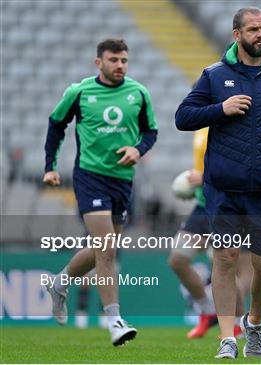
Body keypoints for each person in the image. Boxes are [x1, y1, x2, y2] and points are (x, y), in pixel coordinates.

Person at [175, 7, 261, 359]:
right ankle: (227, 338)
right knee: (225, 259)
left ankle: (255, 321)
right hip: (224, 190)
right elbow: (182, 117)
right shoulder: (214, 76)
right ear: (237, 35)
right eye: (253, 29)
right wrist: (220, 109)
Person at [43, 38, 158, 346]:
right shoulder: (79, 92)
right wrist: (50, 166)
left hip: (122, 180)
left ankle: (60, 282)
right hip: (90, 177)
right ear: (99, 63)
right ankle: (115, 321)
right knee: (107, 248)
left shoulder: (139, 93)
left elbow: (151, 132)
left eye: (124, 61)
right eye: (113, 60)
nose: (120, 66)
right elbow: (56, 125)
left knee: (101, 251)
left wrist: (138, 149)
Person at [168, 127, 251, 339]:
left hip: (228, 205)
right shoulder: (201, 127)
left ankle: (238, 323)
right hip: (204, 205)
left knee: (225, 267)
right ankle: (207, 310)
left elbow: (241, 169)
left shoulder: (235, 127)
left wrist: (204, 178)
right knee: (178, 259)